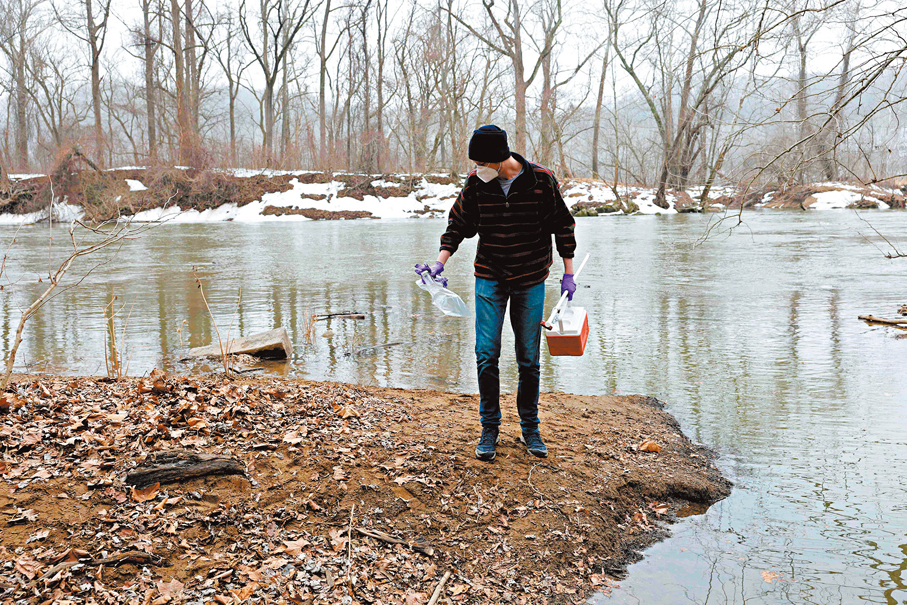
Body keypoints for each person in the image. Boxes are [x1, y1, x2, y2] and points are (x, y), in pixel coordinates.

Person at [415, 124, 577, 462]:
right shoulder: (477, 184)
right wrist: (439, 262)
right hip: (489, 276)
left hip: (531, 277)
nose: (476, 169)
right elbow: (458, 225)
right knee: (486, 354)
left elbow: (563, 225)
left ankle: (530, 426)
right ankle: (490, 427)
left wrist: (568, 274)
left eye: (481, 163)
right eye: (474, 164)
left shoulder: (541, 181)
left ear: (500, 159)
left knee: (528, 359)